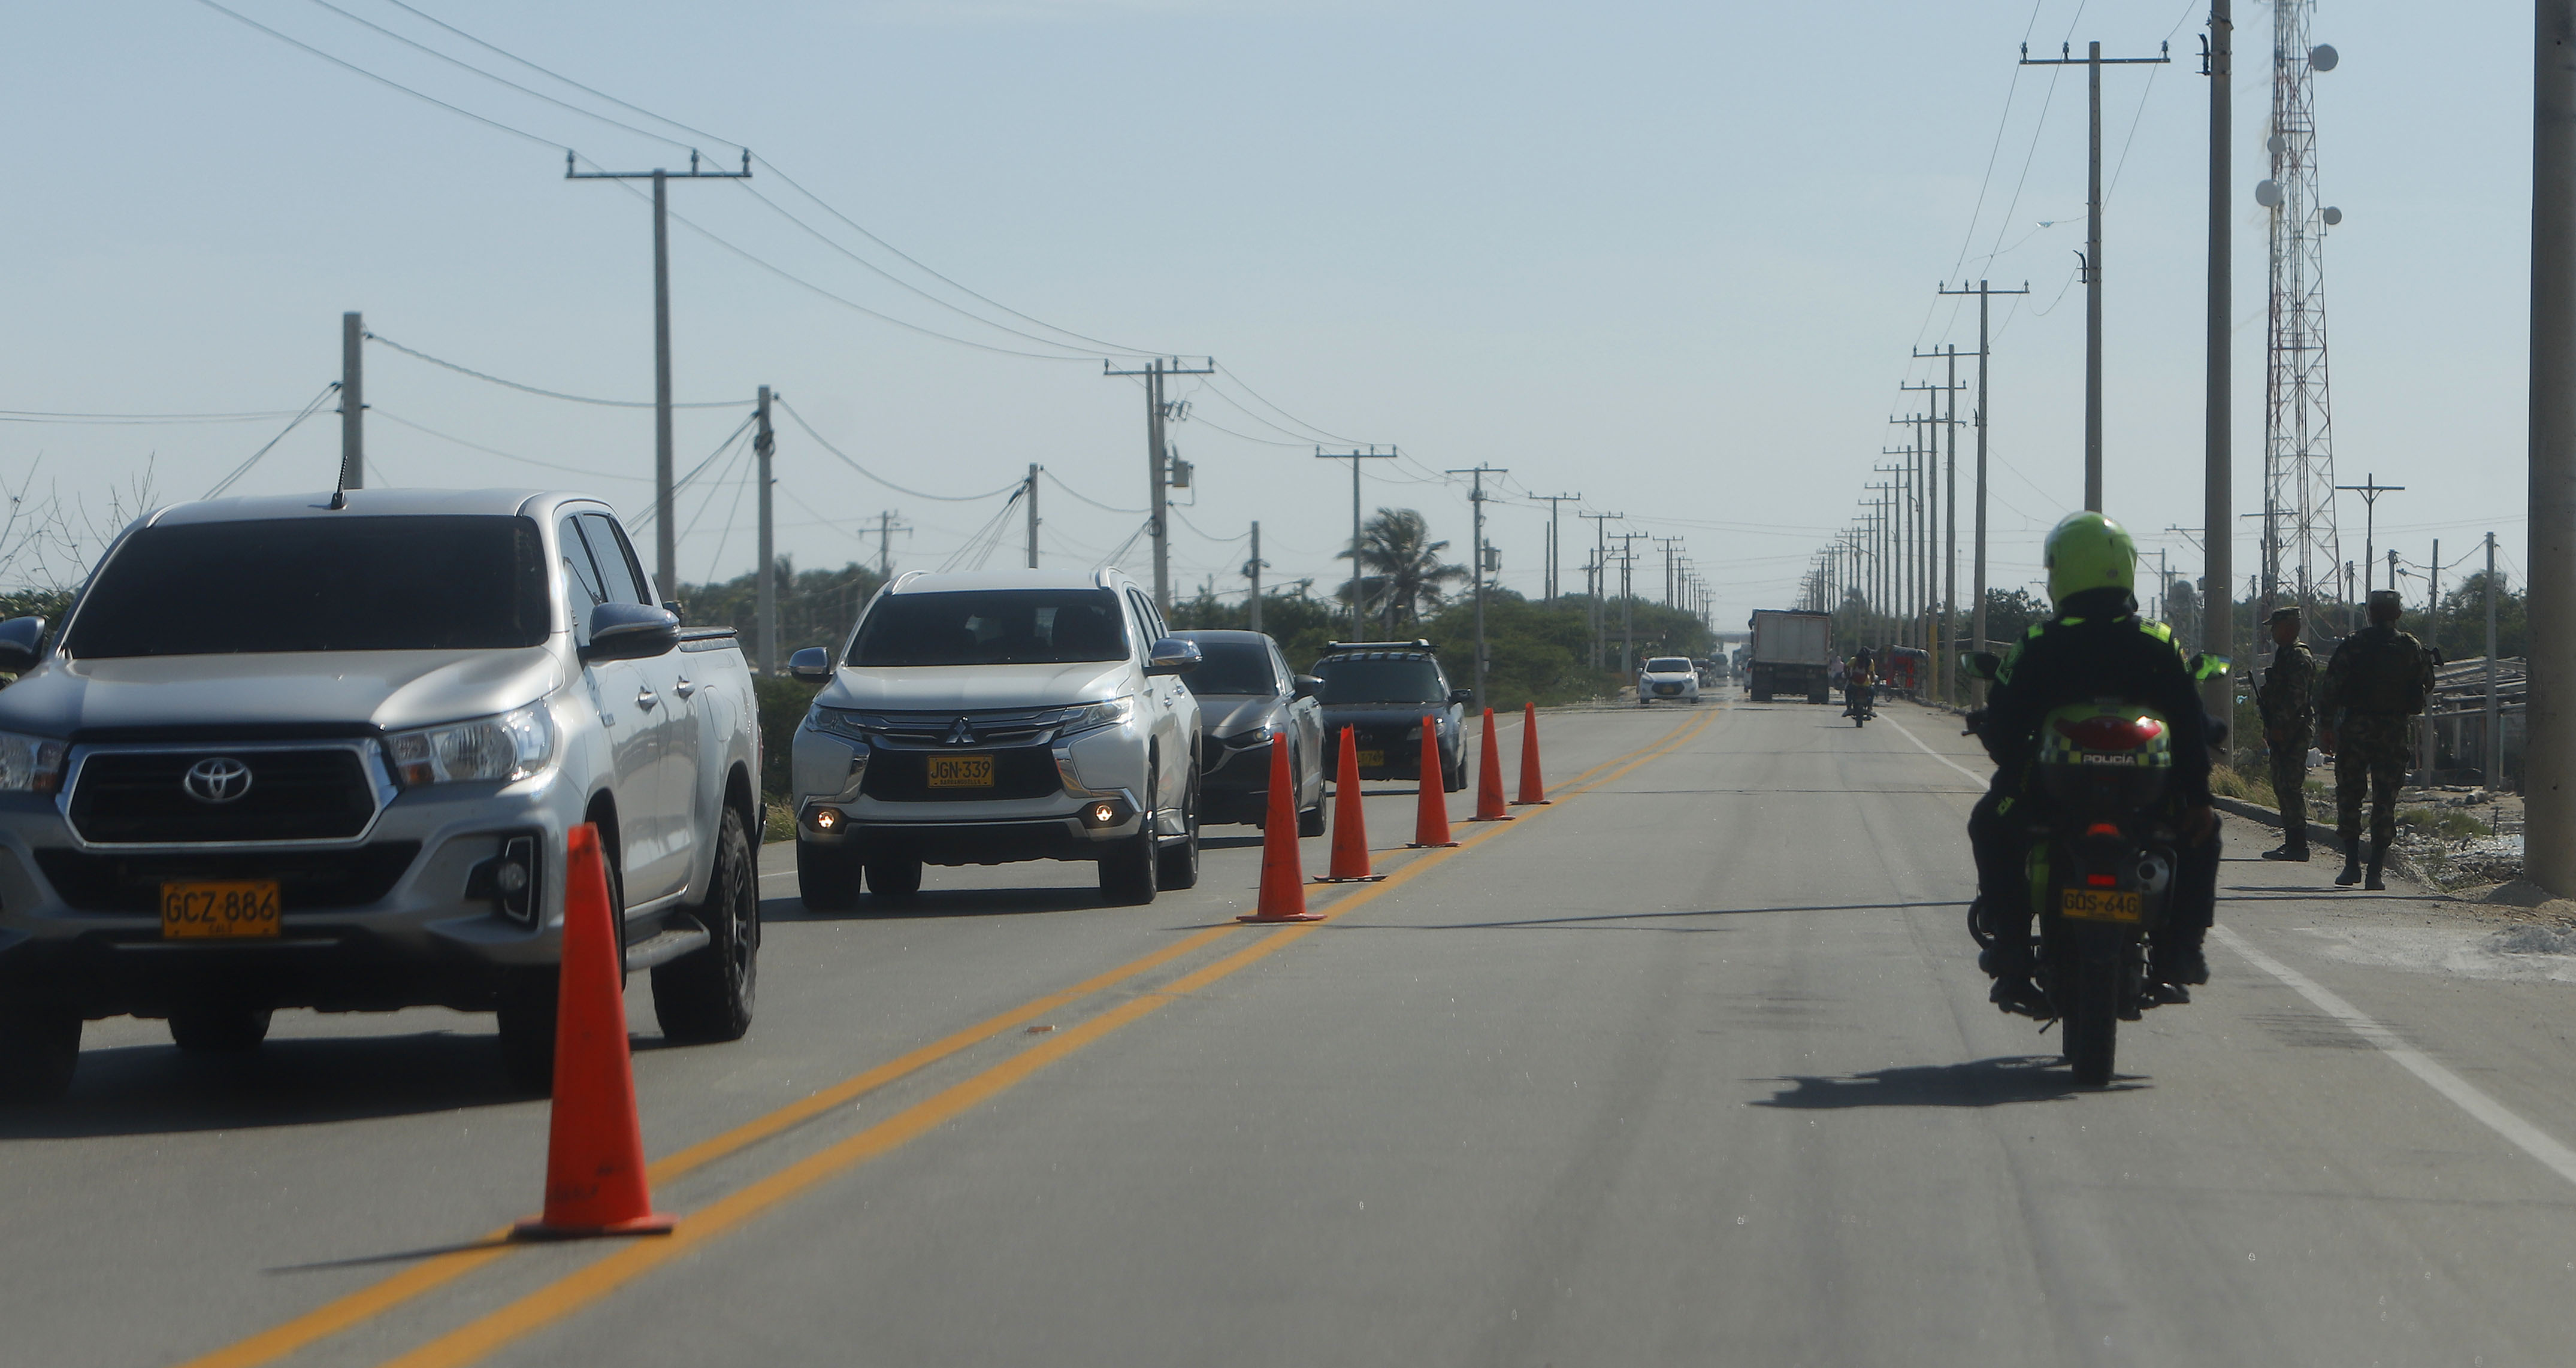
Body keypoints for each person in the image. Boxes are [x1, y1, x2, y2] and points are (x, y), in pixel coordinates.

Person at [1967, 512, 2220, 1013]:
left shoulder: (2038, 644)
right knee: (2202, 833)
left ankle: (2013, 948)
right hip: (2147, 800)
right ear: (2124, 567)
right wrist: (2198, 798)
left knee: (1990, 826)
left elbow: (2003, 726)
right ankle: (2182, 950)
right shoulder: (2159, 641)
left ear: (2060, 571)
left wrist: (1999, 741)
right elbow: (2192, 732)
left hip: (2046, 796)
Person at [2317, 588, 2436, 890]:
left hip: (2356, 728)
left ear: (2370, 613)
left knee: (2350, 793)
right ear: (2398, 614)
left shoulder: (2354, 645)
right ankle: (2375, 873)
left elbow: (2330, 687)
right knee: (2386, 799)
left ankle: (2351, 866)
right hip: (2393, 730)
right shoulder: (2410, 646)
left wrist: (2326, 726)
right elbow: (2427, 683)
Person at [2255, 606, 2319, 861]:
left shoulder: (2299, 657)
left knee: (2291, 786)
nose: (2272, 633)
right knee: (2281, 785)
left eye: (2277, 627)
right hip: (2282, 728)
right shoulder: (2284, 655)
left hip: (2294, 729)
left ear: (2291, 627)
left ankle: (2298, 845)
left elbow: (2296, 698)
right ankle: (2291, 841)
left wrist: (2280, 726)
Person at [1843, 647, 1876, 718]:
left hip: (1855, 684)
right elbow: (1872, 674)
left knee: (1848, 691)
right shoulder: (1870, 661)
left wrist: (1849, 677)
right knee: (1872, 692)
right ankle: (1870, 708)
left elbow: (1846, 667)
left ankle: (1849, 708)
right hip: (1866, 685)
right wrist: (1872, 682)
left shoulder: (1854, 660)